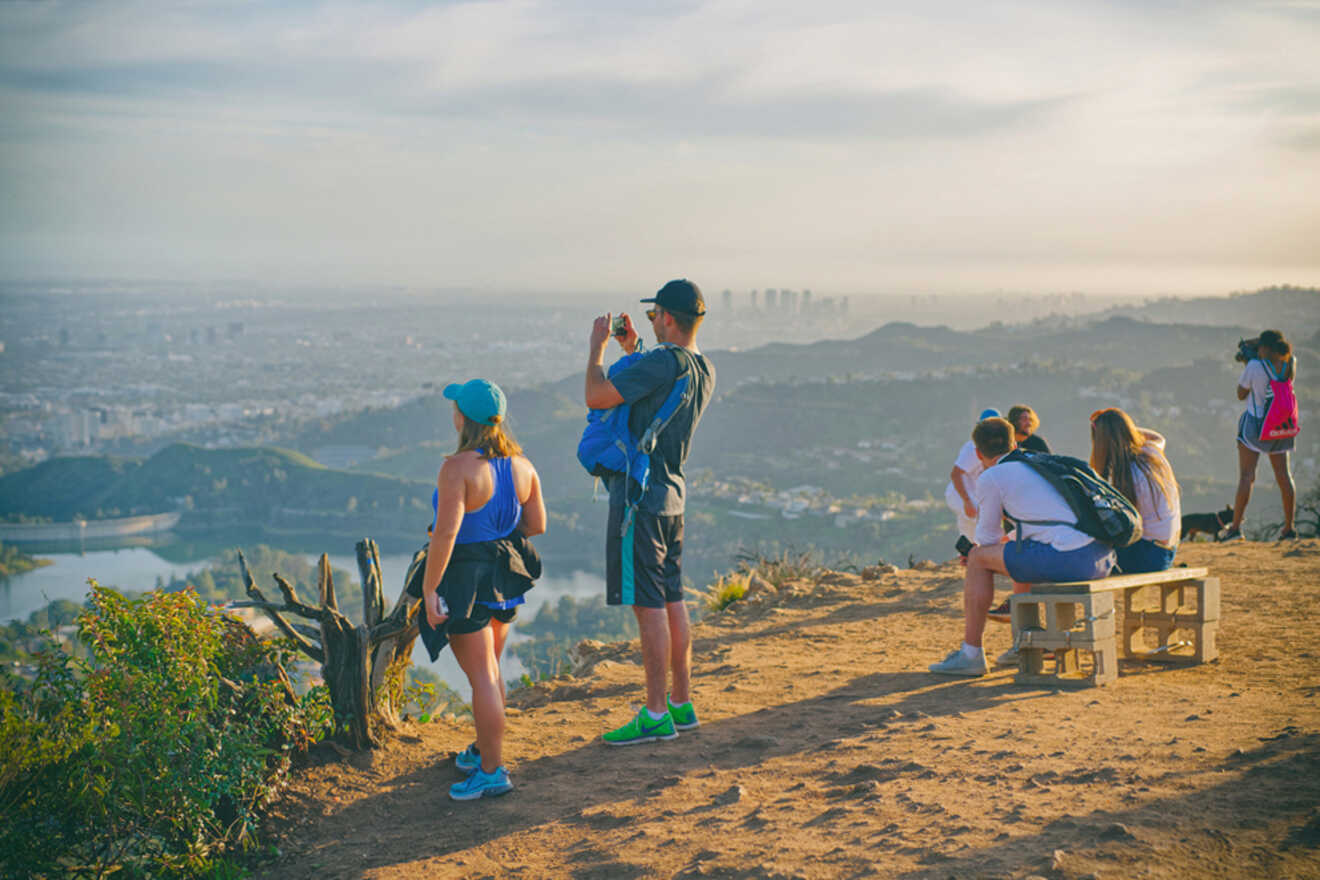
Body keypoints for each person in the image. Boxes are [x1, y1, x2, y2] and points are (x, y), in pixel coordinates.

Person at [585, 279, 716, 745]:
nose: (651, 322)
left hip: (640, 498)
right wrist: (633, 349)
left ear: (667, 317)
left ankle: (655, 713)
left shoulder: (664, 361)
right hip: (673, 496)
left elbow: (597, 396)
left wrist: (597, 351)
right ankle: (681, 702)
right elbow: (660, 393)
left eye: (652, 315)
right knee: (673, 599)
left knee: (648, 605)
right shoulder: (702, 369)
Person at [419, 379, 546, 800]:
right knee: (490, 669)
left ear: (463, 418)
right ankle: (483, 751)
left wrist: (430, 588)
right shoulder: (523, 465)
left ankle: (492, 771)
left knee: (483, 677)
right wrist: (496, 529)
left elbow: (445, 535)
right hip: (504, 574)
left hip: (466, 578)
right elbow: (536, 525)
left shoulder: (456, 468)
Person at [929, 416, 1116, 677]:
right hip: (1100, 556)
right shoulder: (1036, 464)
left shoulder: (992, 477)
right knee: (1000, 554)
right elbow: (1042, 525)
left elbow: (988, 539)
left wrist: (976, 554)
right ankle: (1022, 642)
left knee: (977, 559)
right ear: (1014, 444)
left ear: (978, 452)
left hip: (1069, 558)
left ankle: (971, 654)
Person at [1224, 329, 1298, 541]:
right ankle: (1289, 528)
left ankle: (1236, 528)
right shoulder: (1288, 365)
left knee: (1247, 476)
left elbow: (1241, 394)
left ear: (1263, 347)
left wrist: (1248, 363)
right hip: (1282, 426)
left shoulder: (1255, 366)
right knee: (1284, 476)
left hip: (1256, 427)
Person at [1089, 408, 1181, 573]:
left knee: (1084, 552)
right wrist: (1121, 428)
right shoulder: (1152, 453)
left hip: (1146, 556)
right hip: (1166, 552)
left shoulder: (1127, 475)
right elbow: (1157, 437)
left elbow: (1122, 528)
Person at [945, 408, 1004, 544]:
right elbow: (956, 474)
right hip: (960, 493)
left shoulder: (996, 447)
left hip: (973, 494)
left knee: (970, 531)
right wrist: (967, 501)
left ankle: (968, 558)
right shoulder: (973, 447)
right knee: (983, 521)